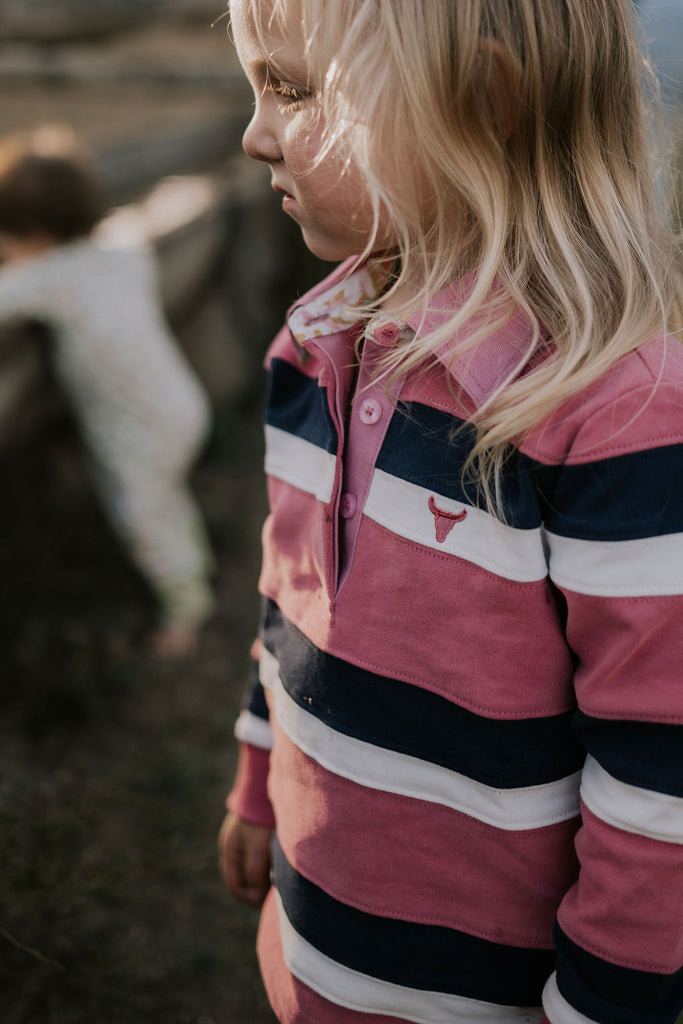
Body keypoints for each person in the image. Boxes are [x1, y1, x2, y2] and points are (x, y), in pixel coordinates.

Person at [218, 1, 683, 1022]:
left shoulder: (615, 413)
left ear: (483, 99)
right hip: (309, 957)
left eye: (290, 88)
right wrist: (257, 780)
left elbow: (658, 780)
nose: (252, 133)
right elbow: (283, 599)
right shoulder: (307, 348)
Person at [0, 126, 215, 658]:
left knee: (144, 518)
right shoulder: (124, 252)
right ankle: (198, 565)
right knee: (168, 500)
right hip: (181, 405)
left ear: (32, 235)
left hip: (136, 430)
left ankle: (184, 613)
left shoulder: (47, 276)